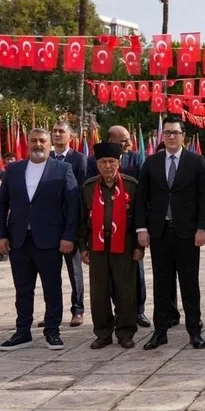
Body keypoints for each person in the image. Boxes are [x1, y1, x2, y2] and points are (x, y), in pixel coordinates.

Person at [0, 128, 79, 351]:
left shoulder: (63, 169)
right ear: (27, 143)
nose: (38, 145)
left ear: (49, 143)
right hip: (19, 239)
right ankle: (22, 331)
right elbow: (2, 205)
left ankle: (52, 331)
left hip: (50, 240)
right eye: (34, 141)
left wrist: (69, 236)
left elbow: (72, 206)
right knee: (22, 288)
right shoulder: (13, 170)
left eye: (42, 141)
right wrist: (0, 235)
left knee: (52, 287)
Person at [136, 116, 205, 351]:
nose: (171, 136)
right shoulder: (151, 162)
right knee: (161, 284)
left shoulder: (195, 161)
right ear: (163, 136)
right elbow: (141, 199)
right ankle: (160, 332)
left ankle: (194, 332)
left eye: (175, 133)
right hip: (159, 233)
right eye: (167, 132)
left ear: (183, 136)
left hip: (187, 234)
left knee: (189, 284)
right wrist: (142, 229)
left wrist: (202, 228)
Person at [78, 142, 142, 349]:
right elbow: (80, 220)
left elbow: (141, 217)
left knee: (126, 290)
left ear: (119, 162)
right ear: (97, 164)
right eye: (103, 162)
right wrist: (82, 247)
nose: (107, 166)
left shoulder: (132, 185)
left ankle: (125, 332)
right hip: (97, 246)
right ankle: (103, 333)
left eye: (112, 162)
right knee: (99, 292)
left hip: (125, 245)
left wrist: (139, 247)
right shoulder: (88, 188)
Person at [48, 121, 87, 328]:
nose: (57, 134)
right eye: (54, 131)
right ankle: (52, 313)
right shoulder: (46, 158)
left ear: (70, 136)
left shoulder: (79, 159)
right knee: (50, 272)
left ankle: (78, 310)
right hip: (48, 224)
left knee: (74, 271)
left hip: (70, 223)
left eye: (61, 131)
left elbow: (81, 195)